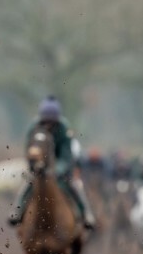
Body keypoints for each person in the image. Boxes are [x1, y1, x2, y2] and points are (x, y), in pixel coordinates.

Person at [8, 95, 96, 230]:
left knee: (74, 185)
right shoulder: (34, 127)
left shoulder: (64, 128)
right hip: (39, 166)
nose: (48, 125)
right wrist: (34, 166)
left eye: (51, 122)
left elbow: (67, 155)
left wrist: (57, 170)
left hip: (60, 167)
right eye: (46, 121)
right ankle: (17, 211)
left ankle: (86, 214)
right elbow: (29, 151)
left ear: (56, 120)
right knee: (28, 184)